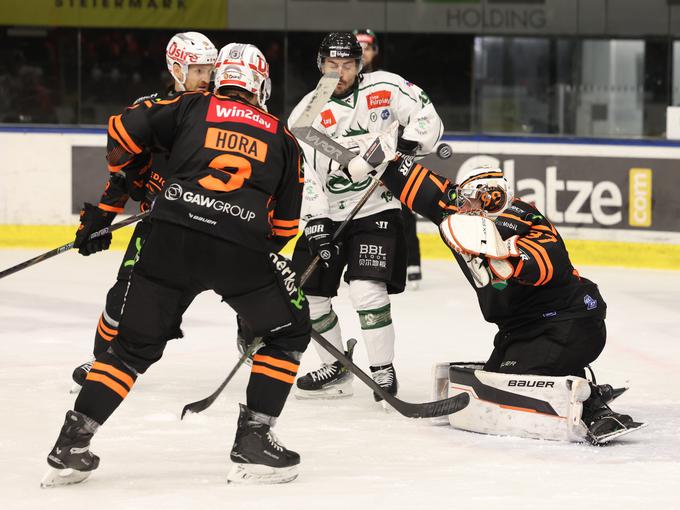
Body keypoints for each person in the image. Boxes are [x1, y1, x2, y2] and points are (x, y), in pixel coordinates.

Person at [42, 43, 311, 487]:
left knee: (129, 349)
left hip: (169, 237)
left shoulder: (190, 105)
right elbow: (283, 229)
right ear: (261, 85)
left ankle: (72, 443)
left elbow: (123, 133)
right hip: (238, 250)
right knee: (289, 332)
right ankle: (255, 442)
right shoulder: (283, 138)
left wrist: (126, 178)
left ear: (220, 76)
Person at [375, 159, 642, 443]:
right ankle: (575, 381)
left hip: (567, 323)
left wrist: (510, 258)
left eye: (472, 200)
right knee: (497, 380)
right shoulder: (462, 216)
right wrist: (382, 165)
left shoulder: (519, 217)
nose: (462, 206)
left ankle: (593, 408)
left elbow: (546, 260)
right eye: (462, 201)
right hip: (522, 331)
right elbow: (432, 192)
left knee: (517, 386)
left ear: (490, 197)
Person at [289, 32, 443, 401]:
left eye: (347, 65)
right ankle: (337, 367)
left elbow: (427, 115)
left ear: (360, 64)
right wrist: (315, 222)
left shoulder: (385, 87)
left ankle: (383, 371)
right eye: (332, 65)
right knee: (308, 295)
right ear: (320, 65)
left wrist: (408, 142)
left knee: (366, 289)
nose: (340, 72)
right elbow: (307, 175)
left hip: (377, 207)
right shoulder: (307, 113)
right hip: (328, 213)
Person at [70, 32, 217, 391]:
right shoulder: (154, 111)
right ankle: (102, 361)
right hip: (161, 225)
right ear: (176, 68)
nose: (206, 78)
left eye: (209, 70)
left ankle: (259, 343)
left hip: (216, 223)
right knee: (121, 298)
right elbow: (125, 170)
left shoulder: (223, 111)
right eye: (197, 70)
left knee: (250, 292)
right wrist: (103, 216)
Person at [353, 28, 423, 289]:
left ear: (376, 51)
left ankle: (412, 261)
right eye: (358, 46)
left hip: (390, 153)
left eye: (368, 46)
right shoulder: (343, 83)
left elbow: (409, 115)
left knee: (402, 205)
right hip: (358, 156)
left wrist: (404, 146)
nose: (363, 51)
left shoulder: (388, 81)